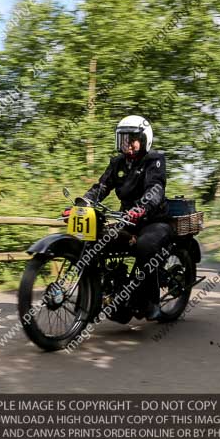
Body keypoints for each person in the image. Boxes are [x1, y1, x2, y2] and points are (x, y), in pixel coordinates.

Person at [72, 115, 170, 321]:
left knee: (144, 246)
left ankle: (152, 303)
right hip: (128, 220)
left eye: (132, 139)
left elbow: (156, 188)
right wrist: (83, 203)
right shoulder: (117, 163)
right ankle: (101, 294)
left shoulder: (154, 160)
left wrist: (141, 207)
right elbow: (102, 187)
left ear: (144, 140)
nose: (127, 144)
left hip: (154, 220)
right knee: (96, 239)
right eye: (123, 139)